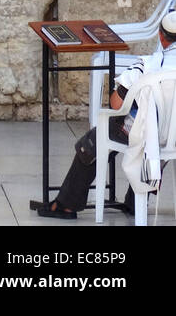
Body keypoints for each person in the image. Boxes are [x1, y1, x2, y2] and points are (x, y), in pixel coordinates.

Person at [34, 12, 176, 219]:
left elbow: (116, 104)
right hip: (173, 136)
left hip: (146, 133)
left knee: (95, 140)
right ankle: (133, 202)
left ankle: (66, 204)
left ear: (161, 36)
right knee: (161, 133)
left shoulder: (147, 65)